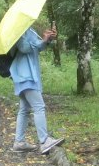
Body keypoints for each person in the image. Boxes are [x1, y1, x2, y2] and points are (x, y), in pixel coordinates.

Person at [10, 24, 64, 155]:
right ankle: (44, 140)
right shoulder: (17, 30)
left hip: (28, 74)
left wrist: (48, 39)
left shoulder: (29, 29)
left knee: (24, 109)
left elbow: (38, 46)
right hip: (24, 74)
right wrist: (43, 40)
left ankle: (19, 142)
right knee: (39, 106)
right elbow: (24, 48)